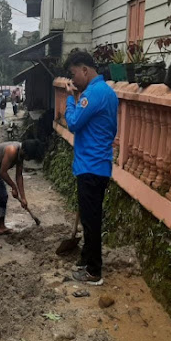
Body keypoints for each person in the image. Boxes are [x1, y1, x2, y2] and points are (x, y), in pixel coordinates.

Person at [64, 50, 118, 286]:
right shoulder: (107, 91)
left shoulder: (92, 94)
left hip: (91, 166)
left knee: (92, 221)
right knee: (89, 218)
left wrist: (70, 99)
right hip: (98, 164)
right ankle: (86, 259)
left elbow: (74, 123)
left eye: (74, 74)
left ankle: (94, 272)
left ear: (85, 70)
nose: (73, 80)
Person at [0, 140, 43, 249]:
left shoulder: (20, 154)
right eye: (27, 157)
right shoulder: (12, 150)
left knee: (3, 197)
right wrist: (13, 187)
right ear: (24, 151)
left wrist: (23, 198)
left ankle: (1, 227)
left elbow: (19, 176)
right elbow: (3, 172)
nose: (27, 159)